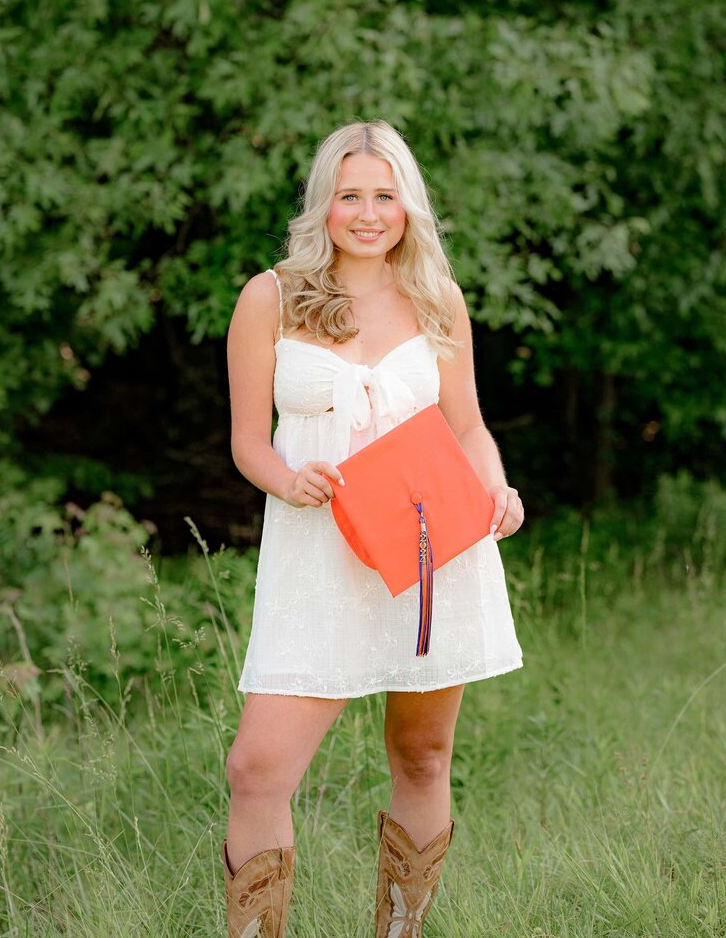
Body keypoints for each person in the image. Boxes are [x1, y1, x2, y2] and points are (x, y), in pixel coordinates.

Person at [223, 120, 524, 937]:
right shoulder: (273, 296)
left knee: (422, 756)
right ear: (324, 205)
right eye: (349, 195)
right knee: (255, 770)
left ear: (408, 207)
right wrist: (289, 480)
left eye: (384, 196)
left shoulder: (438, 299)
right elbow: (249, 439)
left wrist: (496, 487)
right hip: (317, 556)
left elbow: (469, 428)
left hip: (431, 555)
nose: (366, 212)